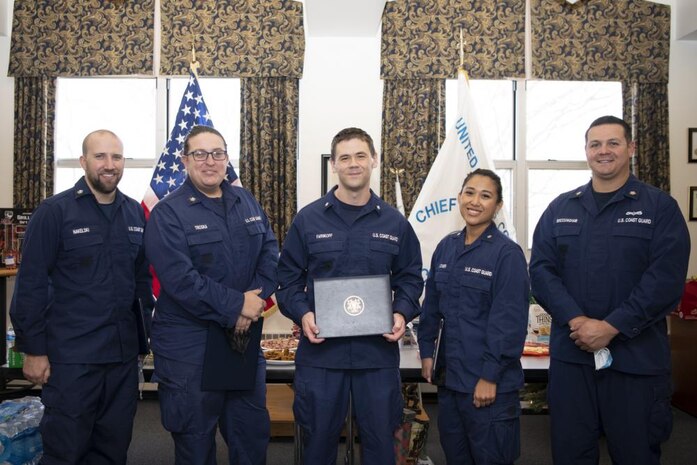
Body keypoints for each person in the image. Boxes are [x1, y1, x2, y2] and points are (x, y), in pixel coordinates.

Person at [530, 115, 691, 465]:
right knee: (570, 452)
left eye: (613, 143)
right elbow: (541, 271)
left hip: (635, 362)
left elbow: (665, 279)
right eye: (595, 144)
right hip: (573, 361)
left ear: (630, 148)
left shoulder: (659, 208)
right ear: (586, 152)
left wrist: (611, 326)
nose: (604, 151)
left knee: (635, 453)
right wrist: (576, 320)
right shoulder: (560, 208)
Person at [276, 127, 423, 465]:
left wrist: (400, 313)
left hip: (376, 355)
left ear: (374, 160)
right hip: (322, 356)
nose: (353, 164)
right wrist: (303, 314)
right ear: (334, 166)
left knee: (382, 447)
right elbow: (286, 280)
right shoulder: (308, 219)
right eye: (345, 157)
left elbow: (411, 277)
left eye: (360, 156)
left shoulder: (395, 223)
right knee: (317, 446)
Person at [10, 129, 154, 464]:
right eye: (100, 156)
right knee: (66, 448)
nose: (109, 164)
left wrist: (146, 337)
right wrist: (34, 350)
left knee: (113, 447)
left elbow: (141, 283)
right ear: (83, 161)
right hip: (72, 358)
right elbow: (30, 283)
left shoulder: (134, 213)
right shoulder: (54, 212)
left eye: (116, 157)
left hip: (121, 357)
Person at [143, 125, 278, 465]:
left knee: (250, 437)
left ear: (226, 158)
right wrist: (239, 305)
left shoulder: (245, 200)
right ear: (185, 160)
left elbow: (271, 253)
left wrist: (254, 302)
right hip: (191, 347)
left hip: (241, 341)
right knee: (195, 442)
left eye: (217, 153)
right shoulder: (168, 213)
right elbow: (181, 280)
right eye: (200, 154)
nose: (209, 161)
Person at [417, 168, 529, 465]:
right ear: (459, 197)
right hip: (450, 382)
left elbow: (508, 323)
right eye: (469, 192)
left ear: (498, 205)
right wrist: (427, 352)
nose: (475, 201)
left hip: (488, 385)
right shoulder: (446, 248)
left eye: (485, 195)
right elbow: (431, 308)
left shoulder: (507, 255)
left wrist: (489, 376)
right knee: (456, 457)